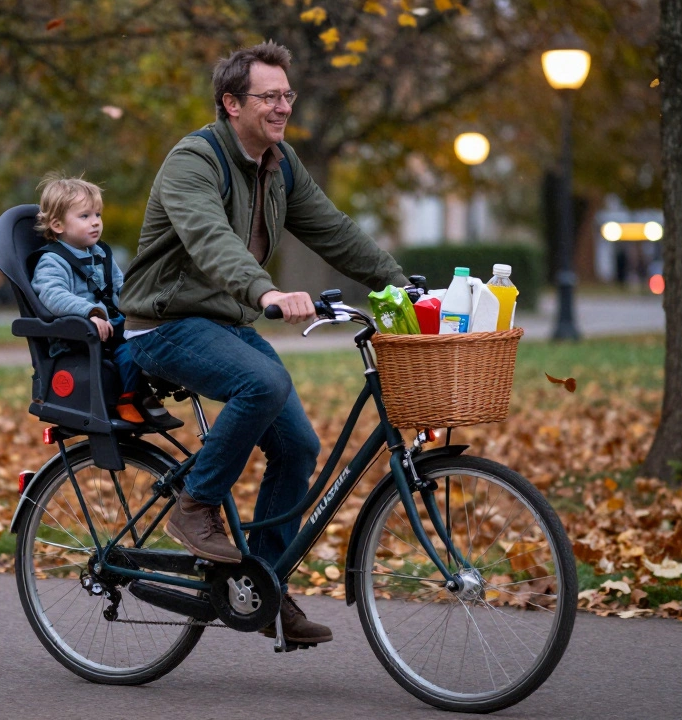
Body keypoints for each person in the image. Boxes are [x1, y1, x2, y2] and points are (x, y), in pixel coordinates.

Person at [118, 41, 408, 644]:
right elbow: (209, 238)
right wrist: (266, 292)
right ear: (231, 103)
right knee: (264, 383)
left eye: (287, 95)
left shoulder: (280, 162)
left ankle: (265, 589)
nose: (282, 107)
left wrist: (402, 287)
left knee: (299, 446)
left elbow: (333, 230)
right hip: (164, 324)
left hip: (224, 322)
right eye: (268, 97)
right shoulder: (192, 161)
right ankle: (195, 506)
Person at [30, 174, 177, 427]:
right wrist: (91, 312)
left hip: (112, 327)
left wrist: (146, 307)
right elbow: (53, 296)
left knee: (152, 333)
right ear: (57, 225)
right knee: (133, 347)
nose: (95, 223)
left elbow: (122, 289)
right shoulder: (52, 261)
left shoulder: (101, 254)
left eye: (97, 215)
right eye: (84, 216)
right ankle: (128, 399)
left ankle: (146, 390)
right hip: (78, 337)